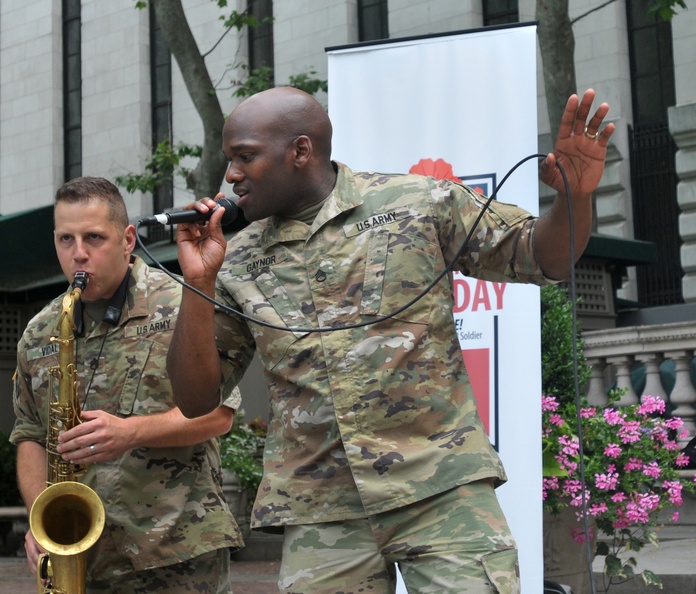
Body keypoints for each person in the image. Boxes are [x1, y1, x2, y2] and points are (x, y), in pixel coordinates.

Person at [165, 85, 614, 593]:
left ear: (300, 151)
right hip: (322, 511)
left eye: (245, 156)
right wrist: (198, 283)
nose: (231, 175)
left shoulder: (418, 202)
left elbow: (541, 255)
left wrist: (574, 196)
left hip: (441, 488)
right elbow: (195, 398)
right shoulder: (236, 256)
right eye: (230, 160)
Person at [11, 177, 244, 593]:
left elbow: (221, 414)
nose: (78, 253)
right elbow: (30, 434)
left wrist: (131, 432)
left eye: (94, 238)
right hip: (85, 559)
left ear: (127, 239)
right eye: (66, 239)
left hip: (179, 553)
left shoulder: (180, 303)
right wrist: (40, 520)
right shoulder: (39, 331)